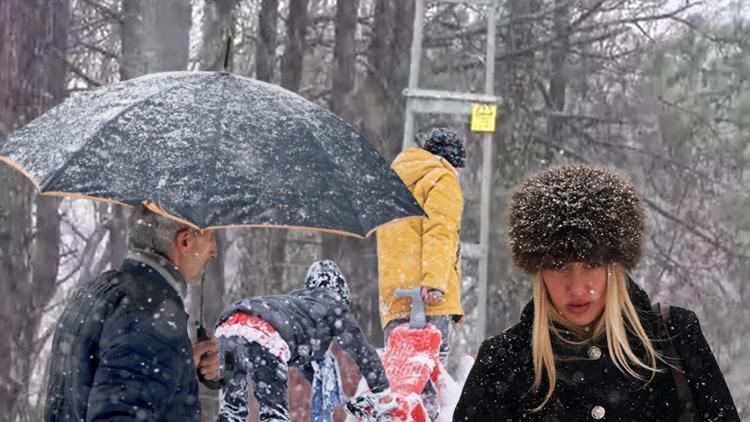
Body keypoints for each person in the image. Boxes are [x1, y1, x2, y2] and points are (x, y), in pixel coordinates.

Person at [454, 164, 740, 421]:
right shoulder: (503, 362)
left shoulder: (674, 338)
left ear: (614, 265)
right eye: (558, 265)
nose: (577, 287)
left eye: (592, 263)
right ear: (538, 270)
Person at [44, 204, 221, 421]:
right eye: (210, 236)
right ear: (184, 241)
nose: (214, 251)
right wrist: (164, 349)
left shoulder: (100, 289)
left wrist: (179, 367)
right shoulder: (150, 316)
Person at [214, 260, 393, 422]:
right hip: (265, 333)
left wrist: (342, 400)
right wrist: (383, 392)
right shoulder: (333, 303)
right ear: (341, 293)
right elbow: (362, 350)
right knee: (274, 414)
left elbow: (308, 368)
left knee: (232, 410)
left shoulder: (298, 308)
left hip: (229, 325)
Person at [377, 127, 465, 419]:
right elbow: (440, 233)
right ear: (450, 160)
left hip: (394, 297)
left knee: (403, 382)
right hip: (429, 297)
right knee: (431, 382)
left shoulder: (393, 181)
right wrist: (435, 282)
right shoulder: (442, 177)